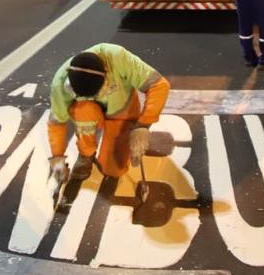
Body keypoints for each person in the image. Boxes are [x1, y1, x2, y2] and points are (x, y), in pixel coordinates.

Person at [47, 43, 171, 182]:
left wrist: (143, 125)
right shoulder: (60, 82)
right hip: (89, 114)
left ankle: (112, 145)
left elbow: (159, 85)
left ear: (107, 73)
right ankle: (86, 154)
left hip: (121, 108)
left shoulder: (118, 57)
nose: (94, 99)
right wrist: (57, 156)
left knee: (114, 170)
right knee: (84, 110)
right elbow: (57, 121)